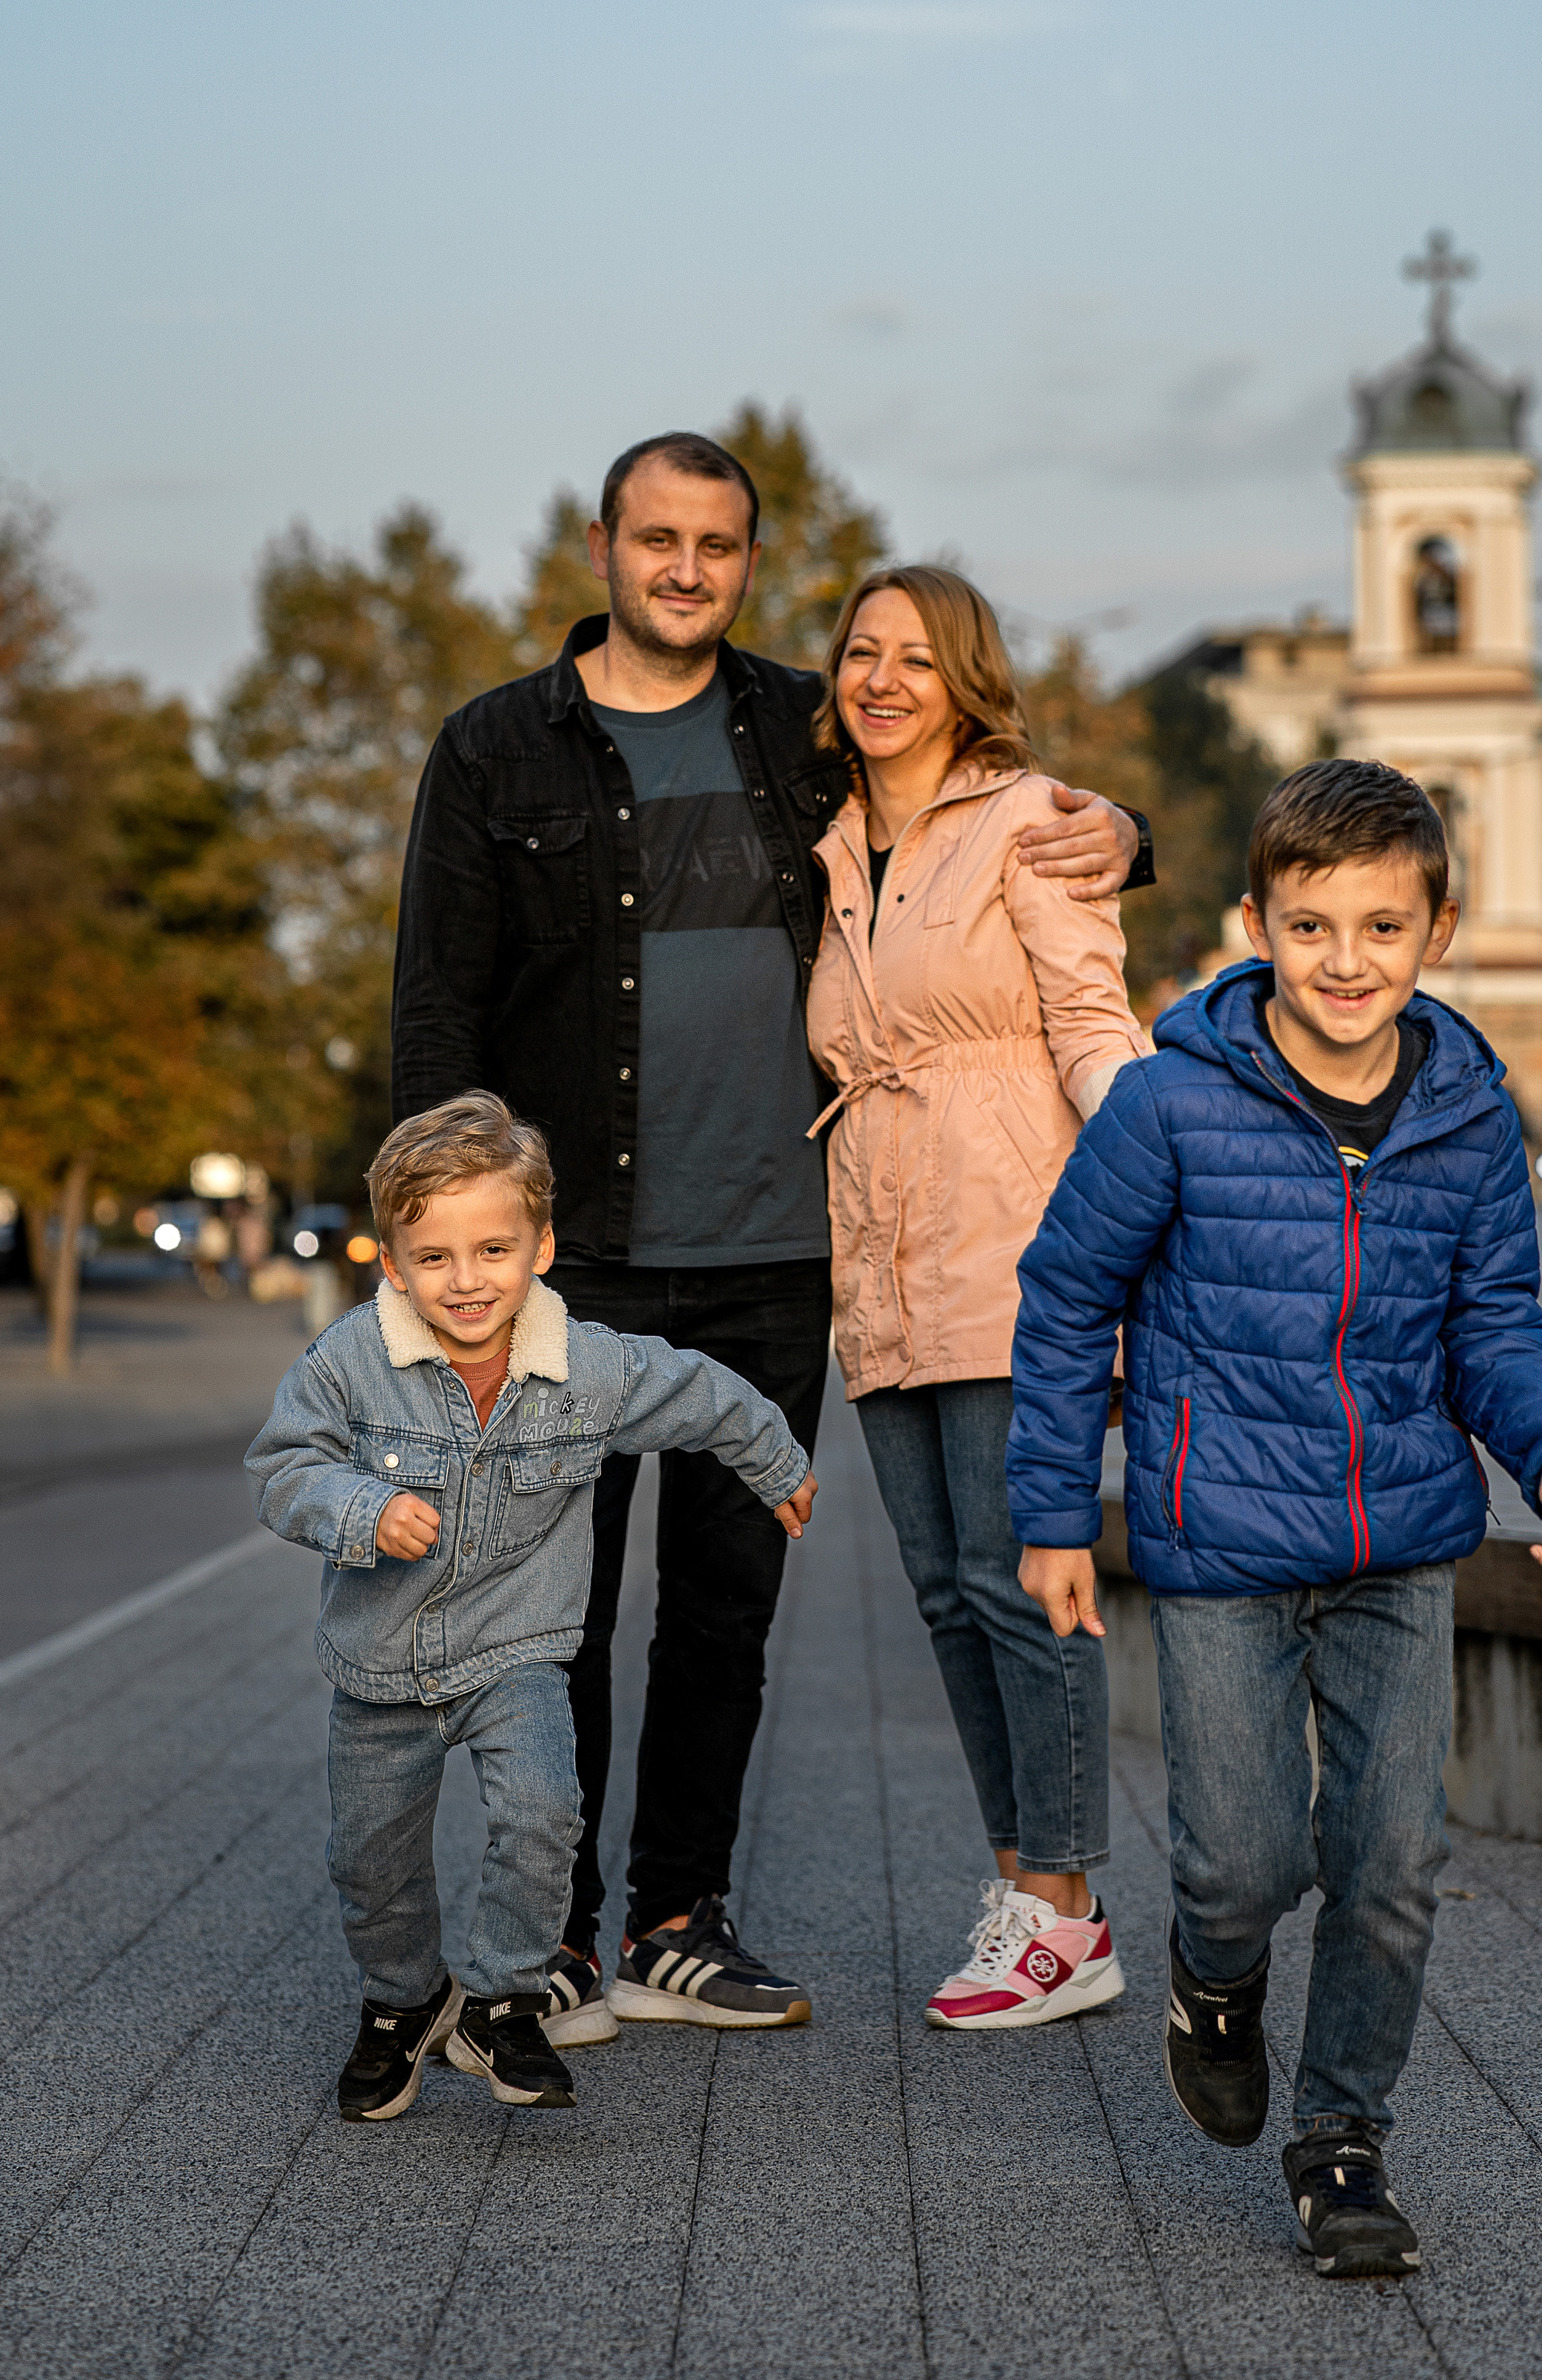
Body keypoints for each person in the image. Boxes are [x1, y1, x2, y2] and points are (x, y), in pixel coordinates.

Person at [391, 431, 1150, 2027]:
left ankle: (677, 1915)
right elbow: (434, 1013)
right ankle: (556, 1937)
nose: (684, 568)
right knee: (557, 1612)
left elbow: (976, 798)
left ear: (746, 561)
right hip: (570, 1259)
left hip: (776, 1257)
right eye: (655, 538)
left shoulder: (797, 731)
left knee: (726, 1610)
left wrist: (1122, 833)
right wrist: (433, 1262)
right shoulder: (493, 749)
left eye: (717, 545)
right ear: (600, 545)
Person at [1004, 759, 1542, 2275]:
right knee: (1237, 1864)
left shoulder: (1469, 1112)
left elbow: (1495, 1325)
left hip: (1402, 1541)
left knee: (1393, 1855)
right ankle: (1212, 1984)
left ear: (1436, 933)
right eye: (1311, 924)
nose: (1345, 961)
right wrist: (1054, 1513)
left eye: (1380, 928)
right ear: (1251, 921)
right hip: (1217, 1542)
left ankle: (1341, 2139)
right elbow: (1067, 1300)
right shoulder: (1166, 1103)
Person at [245, 1093, 815, 2122]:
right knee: (370, 1862)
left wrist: (775, 1461)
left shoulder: (586, 1368)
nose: (467, 1282)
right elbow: (282, 1467)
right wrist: (362, 1509)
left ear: (542, 1246)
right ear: (393, 1262)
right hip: (382, 1667)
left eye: (494, 1249)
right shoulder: (349, 1362)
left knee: (546, 1813)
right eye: (435, 1258)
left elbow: (698, 1390)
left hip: (518, 1654)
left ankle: (504, 1997)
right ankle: (402, 2004)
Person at [805, 565, 1149, 2029]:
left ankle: (1068, 1908)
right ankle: (1023, 1892)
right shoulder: (826, 845)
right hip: (880, 1258)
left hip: (1016, 1249)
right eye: (860, 653)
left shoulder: (1030, 821)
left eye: (916, 658)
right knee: (947, 1598)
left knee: (1027, 1585)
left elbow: (1088, 1015)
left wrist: (1155, 1176)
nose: (882, 678)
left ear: (965, 682)